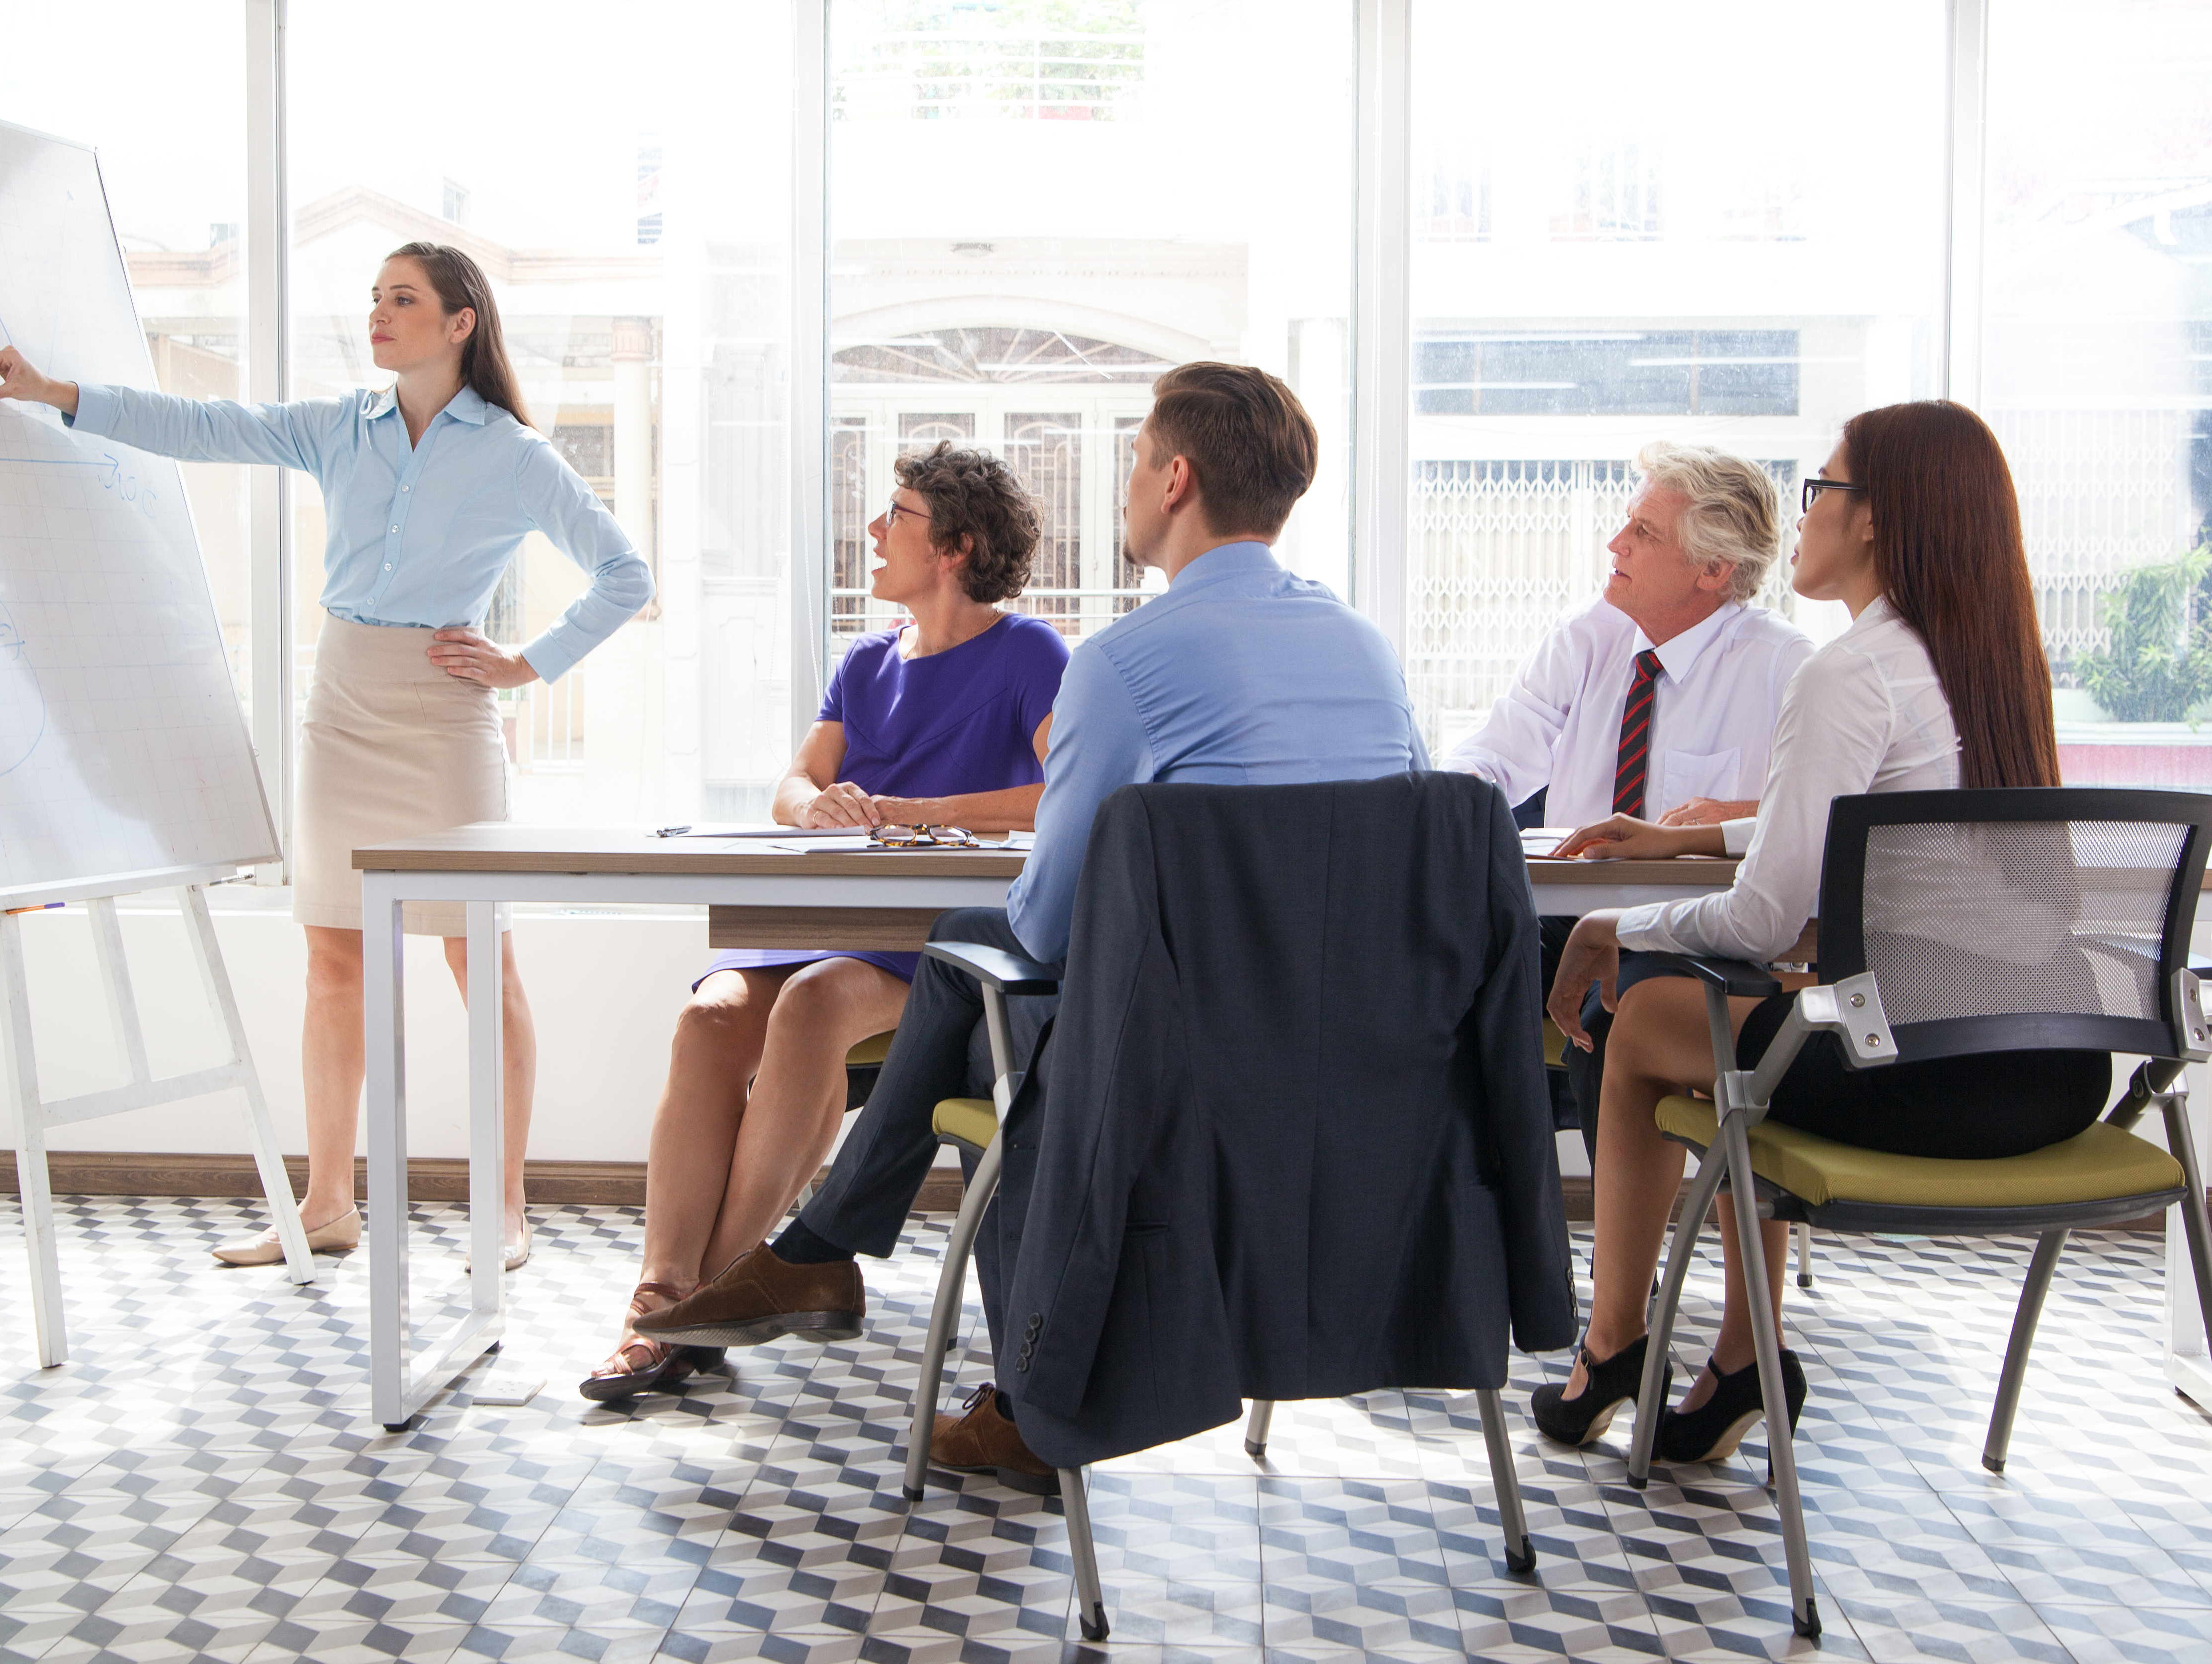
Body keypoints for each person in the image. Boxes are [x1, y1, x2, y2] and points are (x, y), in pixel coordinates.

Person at [637, 361, 1429, 1492]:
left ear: (1178, 477)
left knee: (990, 999)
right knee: (962, 972)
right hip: (1351, 1059)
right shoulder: (1369, 654)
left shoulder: (1122, 663)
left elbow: (1048, 926)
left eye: (1133, 460)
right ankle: (820, 1257)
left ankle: (858, 1277)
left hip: (1168, 1067)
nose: (1125, 487)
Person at [0, 242, 653, 1273]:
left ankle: (504, 1209)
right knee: (333, 959)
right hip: (342, 705)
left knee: (479, 956)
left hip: (445, 715)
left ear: (461, 322)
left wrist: (527, 665)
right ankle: (329, 1202)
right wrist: (50, 392)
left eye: (403, 300)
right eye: (374, 298)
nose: (378, 314)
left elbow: (623, 573)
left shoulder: (512, 452)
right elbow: (202, 427)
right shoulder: (344, 427)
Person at [1531, 400, 2090, 1465]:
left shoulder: (1848, 672)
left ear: (1876, 519)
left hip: (1915, 1080)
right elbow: (1867, 828)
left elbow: (1763, 915)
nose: (1808, 511)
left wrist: (1610, 919)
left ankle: (1613, 1345)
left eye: (1822, 487)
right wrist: (1704, 837)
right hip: (2052, 1075)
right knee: (1749, 1012)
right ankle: (1744, 1355)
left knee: (1652, 1012)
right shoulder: (1986, 665)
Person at [583, 442, 1068, 1400]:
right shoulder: (866, 658)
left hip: (932, 942)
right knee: (711, 1014)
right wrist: (816, 807)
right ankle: (664, 1292)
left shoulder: (1029, 652)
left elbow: (1061, 788)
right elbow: (793, 781)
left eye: (898, 515)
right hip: (827, 914)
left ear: (958, 547)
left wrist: (921, 812)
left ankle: (705, 1301)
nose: (876, 532)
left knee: (810, 1003)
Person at [1441, 443, 1812, 1141]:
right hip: (1562, 920)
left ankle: (1601, 1249)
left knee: (1614, 1012)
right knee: (1437, 983)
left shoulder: (1784, 666)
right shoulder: (1589, 636)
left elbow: (1819, 818)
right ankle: (1477, 1229)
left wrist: (1740, 814)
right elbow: (1497, 752)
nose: (1617, 543)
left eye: (1645, 532)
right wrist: (1445, 801)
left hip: (1698, 936)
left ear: (1713, 570)